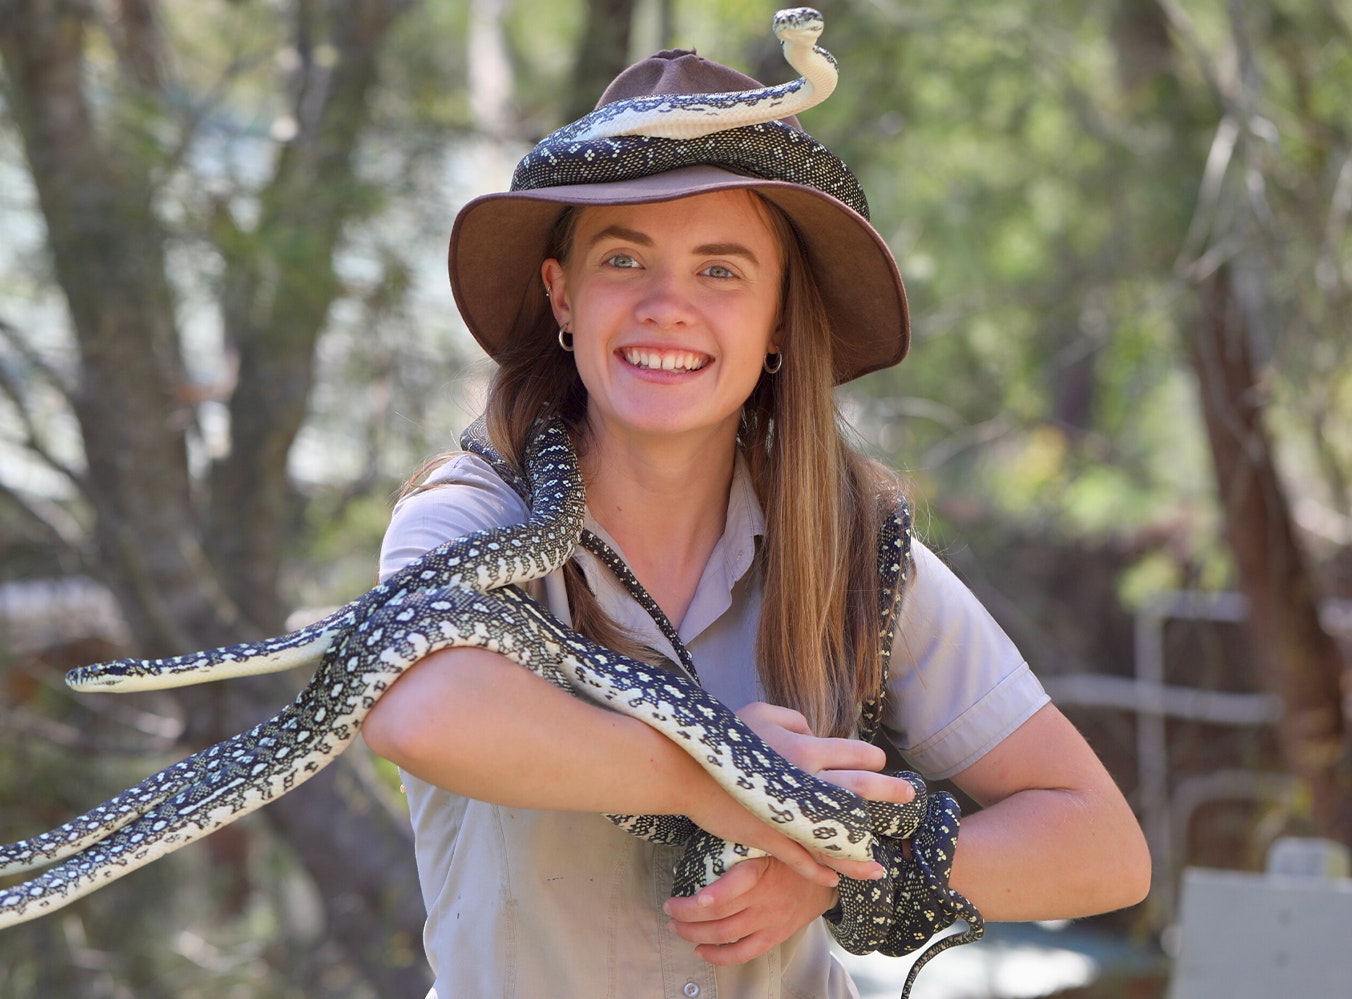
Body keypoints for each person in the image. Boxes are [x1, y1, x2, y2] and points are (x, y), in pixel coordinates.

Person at [361, 45, 1149, 998]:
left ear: (779, 316)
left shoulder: (850, 546)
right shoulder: (471, 516)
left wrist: (840, 872)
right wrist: (725, 774)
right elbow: (419, 710)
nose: (667, 307)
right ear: (563, 294)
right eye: (623, 259)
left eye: (721, 271)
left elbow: (1102, 845)